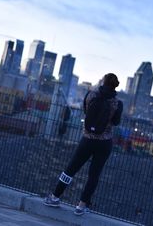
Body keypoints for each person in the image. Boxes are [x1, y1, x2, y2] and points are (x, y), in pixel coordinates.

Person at [44, 73, 123, 215]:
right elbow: (116, 122)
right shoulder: (117, 103)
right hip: (104, 143)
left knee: (70, 169)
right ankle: (81, 206)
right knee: (94, 175)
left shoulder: (90, 95)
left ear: (103, 82)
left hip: (87, 140)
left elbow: (86, 112)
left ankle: (55, 196)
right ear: (115, 85)